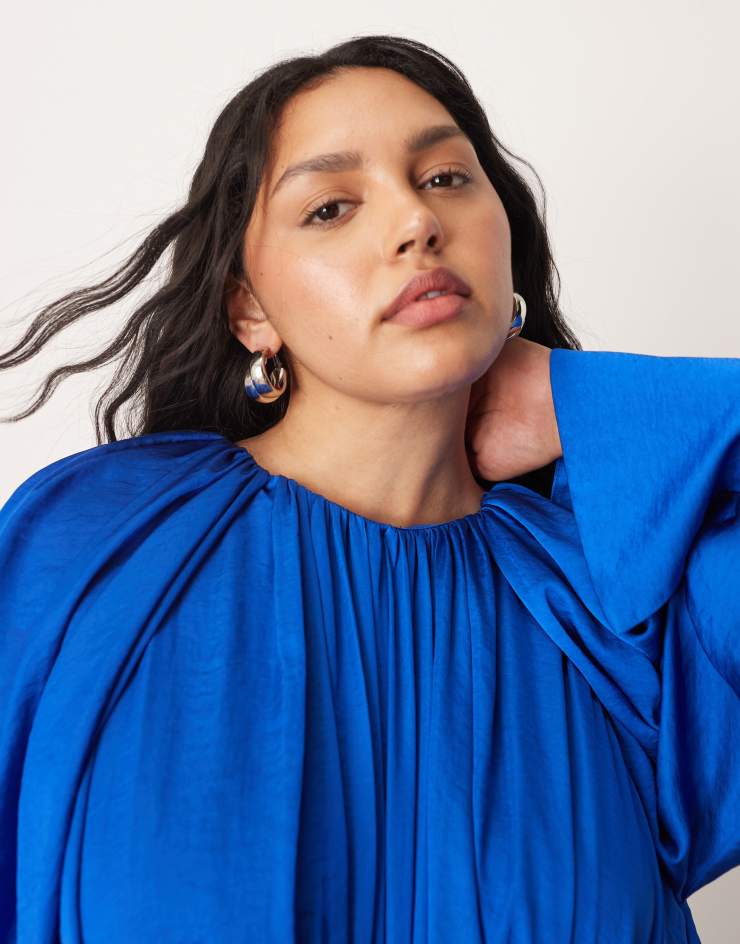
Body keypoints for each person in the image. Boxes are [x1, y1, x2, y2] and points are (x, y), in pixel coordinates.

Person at [0, 34, 737, 944]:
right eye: (331, 207)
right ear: (249, 308)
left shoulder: (623, 609)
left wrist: (587, 402)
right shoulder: (103, 546)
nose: (416, 222)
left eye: (445, 179)